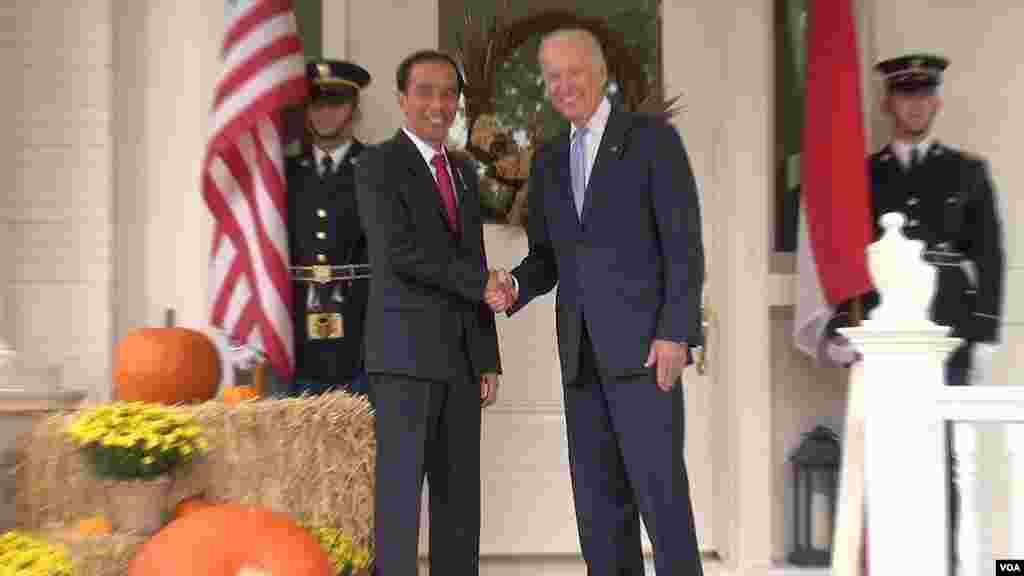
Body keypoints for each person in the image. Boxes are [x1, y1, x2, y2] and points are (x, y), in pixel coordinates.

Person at [487, 28, 705, 575]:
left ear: (601, 74)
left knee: (662, 502)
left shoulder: (652, 141)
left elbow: (684, 245)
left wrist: (676, 331)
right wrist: (515, 285)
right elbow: (548, 257)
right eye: (553, 76)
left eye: (574, 72)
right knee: (599, 511)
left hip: (645, 357)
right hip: (581, 360)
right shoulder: (552, 159)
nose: (564, 86)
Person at [825, 52, 1006, 569]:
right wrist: (845, 326)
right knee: (888, 450)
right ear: (889, 102)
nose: (917, 104)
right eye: (907, 94)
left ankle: (942, 561)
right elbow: (845, 256)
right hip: (883, 333)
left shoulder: (967, 172)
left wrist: (987, 332)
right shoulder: (863, 176)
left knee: (945, 453)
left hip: (950, 328)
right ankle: (895, 561)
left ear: (937, 101)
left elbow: (989, 254)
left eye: (925, 94)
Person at [354, 49, 504, 575]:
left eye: (448, 93)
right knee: (398, 504)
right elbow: (400, 252)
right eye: (425, 91)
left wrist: (487, 355)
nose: (438, 104)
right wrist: (481, 283)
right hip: (404, 361)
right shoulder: (375, 165)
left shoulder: (462, 172)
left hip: (462, 363)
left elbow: (473, 259)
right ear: (402, 99)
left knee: (459, 504)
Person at [286, 59, 373, 399]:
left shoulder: (377, 168)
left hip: (361, 330)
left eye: (335, 102)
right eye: (316, 103)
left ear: (353, 108)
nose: (325, 112)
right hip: (297, 333)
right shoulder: (285, 173)